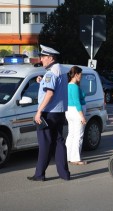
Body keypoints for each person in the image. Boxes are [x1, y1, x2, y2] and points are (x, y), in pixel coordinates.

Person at [27, 44, 70, 181]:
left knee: (45, 143)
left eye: (43, 57)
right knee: (58, 142)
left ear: (51, 58)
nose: (41, 60)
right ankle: (64, 174)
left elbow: (50, 93)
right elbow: (56, 89)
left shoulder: (50, 73)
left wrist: (39, 111)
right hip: (60, 112)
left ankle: (39, 174)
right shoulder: (62, 71)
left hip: (48, 113)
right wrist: (42, 82)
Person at [65, 66, 87, 165]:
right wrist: (82, 116)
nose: (81, 77)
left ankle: (68, 156)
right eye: (80, 75)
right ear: (76, 74)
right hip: (76, 111)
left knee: (71, 134)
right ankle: (76, 158)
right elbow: (77, 102)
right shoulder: (74, 86)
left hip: (69, 111)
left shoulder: (68, 85)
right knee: (78, 135)